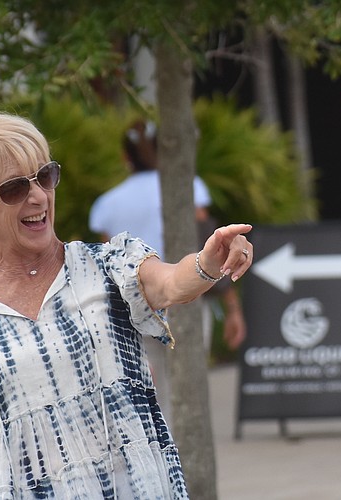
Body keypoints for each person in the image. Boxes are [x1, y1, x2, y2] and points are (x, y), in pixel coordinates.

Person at [0, 105, 253, 499]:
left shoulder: (109, 266)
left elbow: (172, 283)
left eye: (45, 177)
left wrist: (207, 262)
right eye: (15, 188)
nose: (37, 196)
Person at [89, 120, 246, 424]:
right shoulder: (189, 187)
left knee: (148, 392)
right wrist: (232, 307)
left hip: (134, 307)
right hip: (185, 295)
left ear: (125, 157)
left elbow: (110, 267)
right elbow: (210, 248)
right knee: (187, 391)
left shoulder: (106, 205)